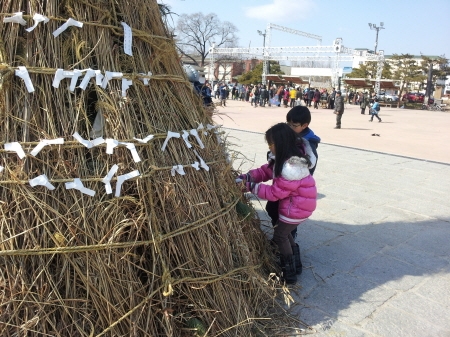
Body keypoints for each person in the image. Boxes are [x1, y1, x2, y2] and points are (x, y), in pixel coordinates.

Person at [239, 123, 317, 284]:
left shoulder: (291, 169)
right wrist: (248, 177)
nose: (269, 148)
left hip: (296, 208)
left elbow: (274, 193)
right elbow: (265, 171)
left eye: (271, 144)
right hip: (298, 205)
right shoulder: (284, 159)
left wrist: (249, 187)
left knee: (280, 235)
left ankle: (289, 273)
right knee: (286, 232)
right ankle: (296, 265)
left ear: (280, 144)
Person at [265, 106, 320, 274]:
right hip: (291, 195)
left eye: (294, 125)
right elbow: (272, 165)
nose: (290, 127)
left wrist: (253, 187)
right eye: (288, 123)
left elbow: (296, 173)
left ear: (304, 125)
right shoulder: (289, 138)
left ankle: (288, 269)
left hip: (292, 196)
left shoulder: (305, 145)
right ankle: (294, 259)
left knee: (283, 231)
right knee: (278, 219)